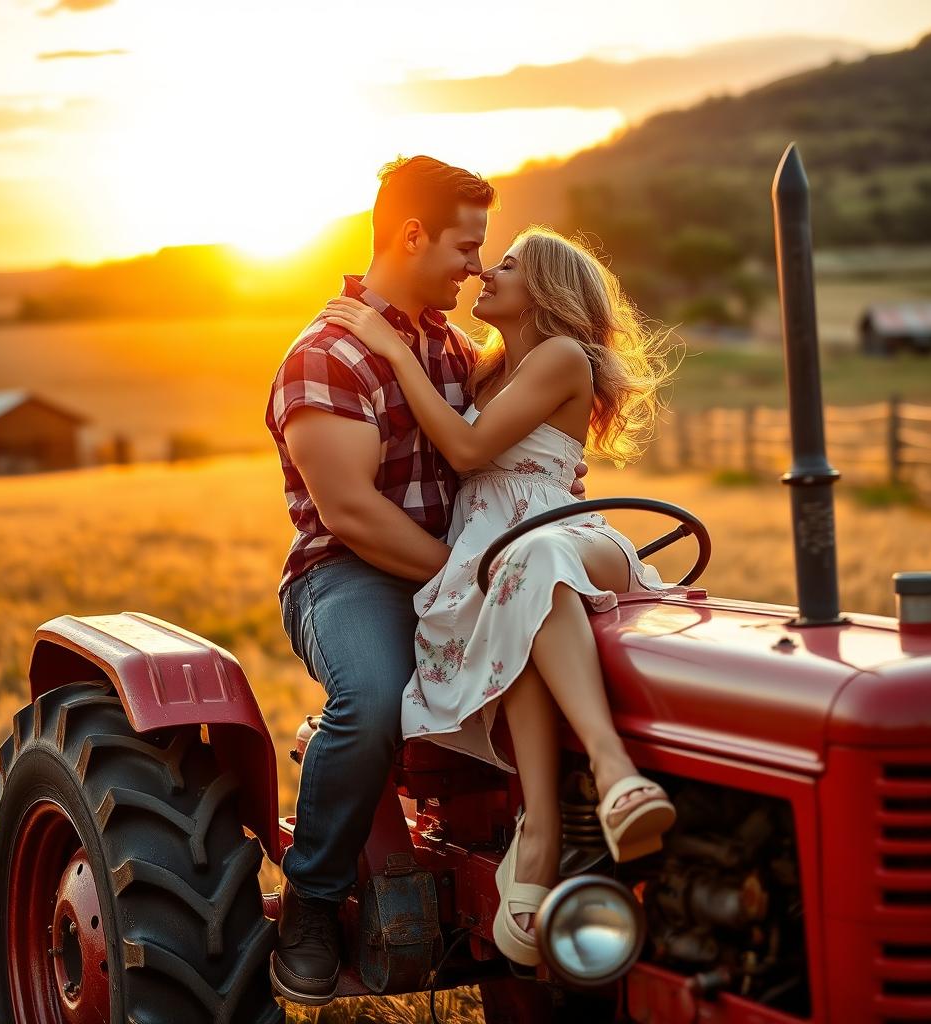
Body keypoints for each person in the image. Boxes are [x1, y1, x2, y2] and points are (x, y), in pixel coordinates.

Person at [264, 157, 590, 1005]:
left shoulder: (457, 350)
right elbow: (354, 516)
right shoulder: (326, 356)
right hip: (353, 577)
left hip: (471, 566)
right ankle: (314, 896)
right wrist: (475, 579)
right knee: (371, 697)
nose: (478, 267)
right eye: (466, 246)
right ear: (411, 235)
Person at [321, 225, 678, 967]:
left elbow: (467, 450)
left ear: (545, 287)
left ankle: (613, 775)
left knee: (533, 556)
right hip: (502, 558)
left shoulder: (559, 355)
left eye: (506, 263)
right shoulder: (485, 374)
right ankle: (540, 829)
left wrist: (388, 347)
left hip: (565, 535)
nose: (486, 270)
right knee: (511, 590)